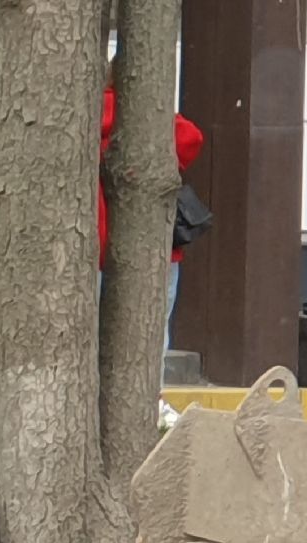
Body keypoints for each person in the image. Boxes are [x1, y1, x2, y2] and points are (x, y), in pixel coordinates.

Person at [99, 85, 206, 356]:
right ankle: (150, 396)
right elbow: (191, 137)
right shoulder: (153, 121)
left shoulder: (84, 119)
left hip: (97, 247)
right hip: (153, 247)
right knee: (152, 334)